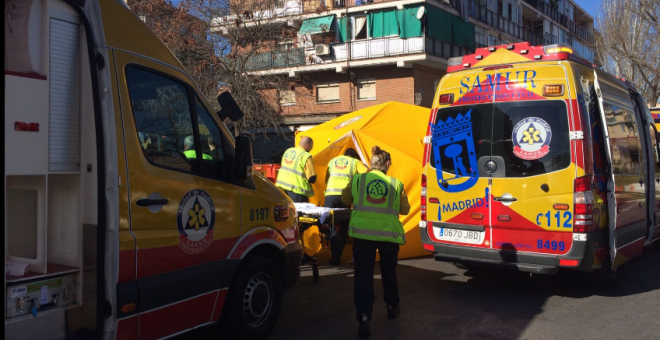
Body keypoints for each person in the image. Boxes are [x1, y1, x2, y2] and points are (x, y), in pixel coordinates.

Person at [341, 145, 410, 338]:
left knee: (363, 276)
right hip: (388, 236)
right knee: (388, 272)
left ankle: (364, 317)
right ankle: (392, 306)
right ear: (387, 164)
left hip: (362, 236)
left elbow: (345, 199)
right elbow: (404, 209)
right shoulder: (396, 184)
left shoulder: (358, 180)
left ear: (371, 163)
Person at [324, 148, 366, 265]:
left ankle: (335, 254)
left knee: (330, 225)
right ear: (354, 156)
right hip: (345, 197)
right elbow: (366, 173)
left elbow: (326, 179)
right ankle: (337, 254)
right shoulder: (355, 162)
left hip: (330, 195)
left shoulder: (332, 161)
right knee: (343, 226)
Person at [276, 136, 316, 203]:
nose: (311, 148)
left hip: (282, 189)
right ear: (307, 146)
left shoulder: (288, 151)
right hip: (297, 191)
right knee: (299, 212)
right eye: (311, 146)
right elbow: (312, 178)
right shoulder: (306, 155)